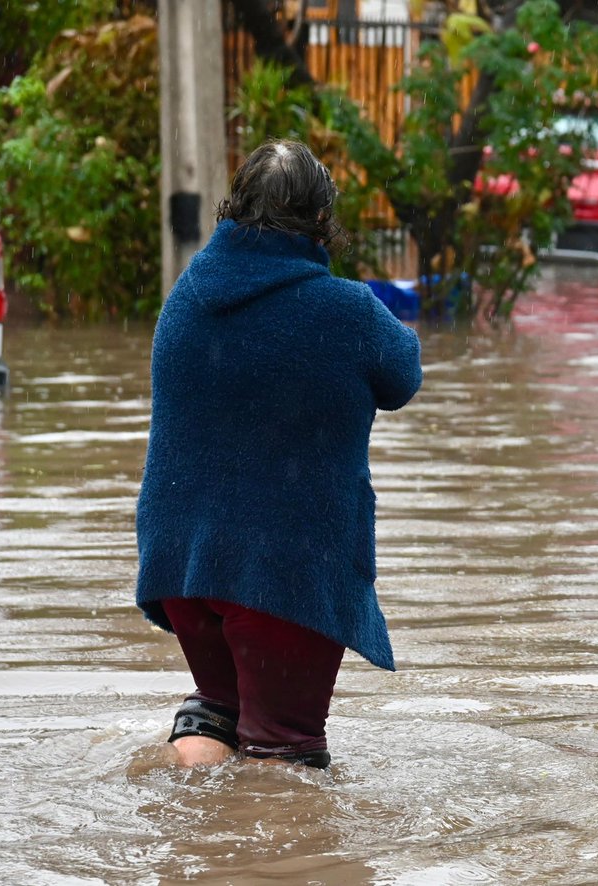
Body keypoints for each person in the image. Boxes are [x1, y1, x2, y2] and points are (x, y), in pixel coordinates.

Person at [135, 140, 422, 768]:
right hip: (281, 576)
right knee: (282, 759)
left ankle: (189, 828)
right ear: (322, 223)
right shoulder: (347, 310)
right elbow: (402, 376)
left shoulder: (185, 300)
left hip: (184, 567)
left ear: (233, 211)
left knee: (218, 707)